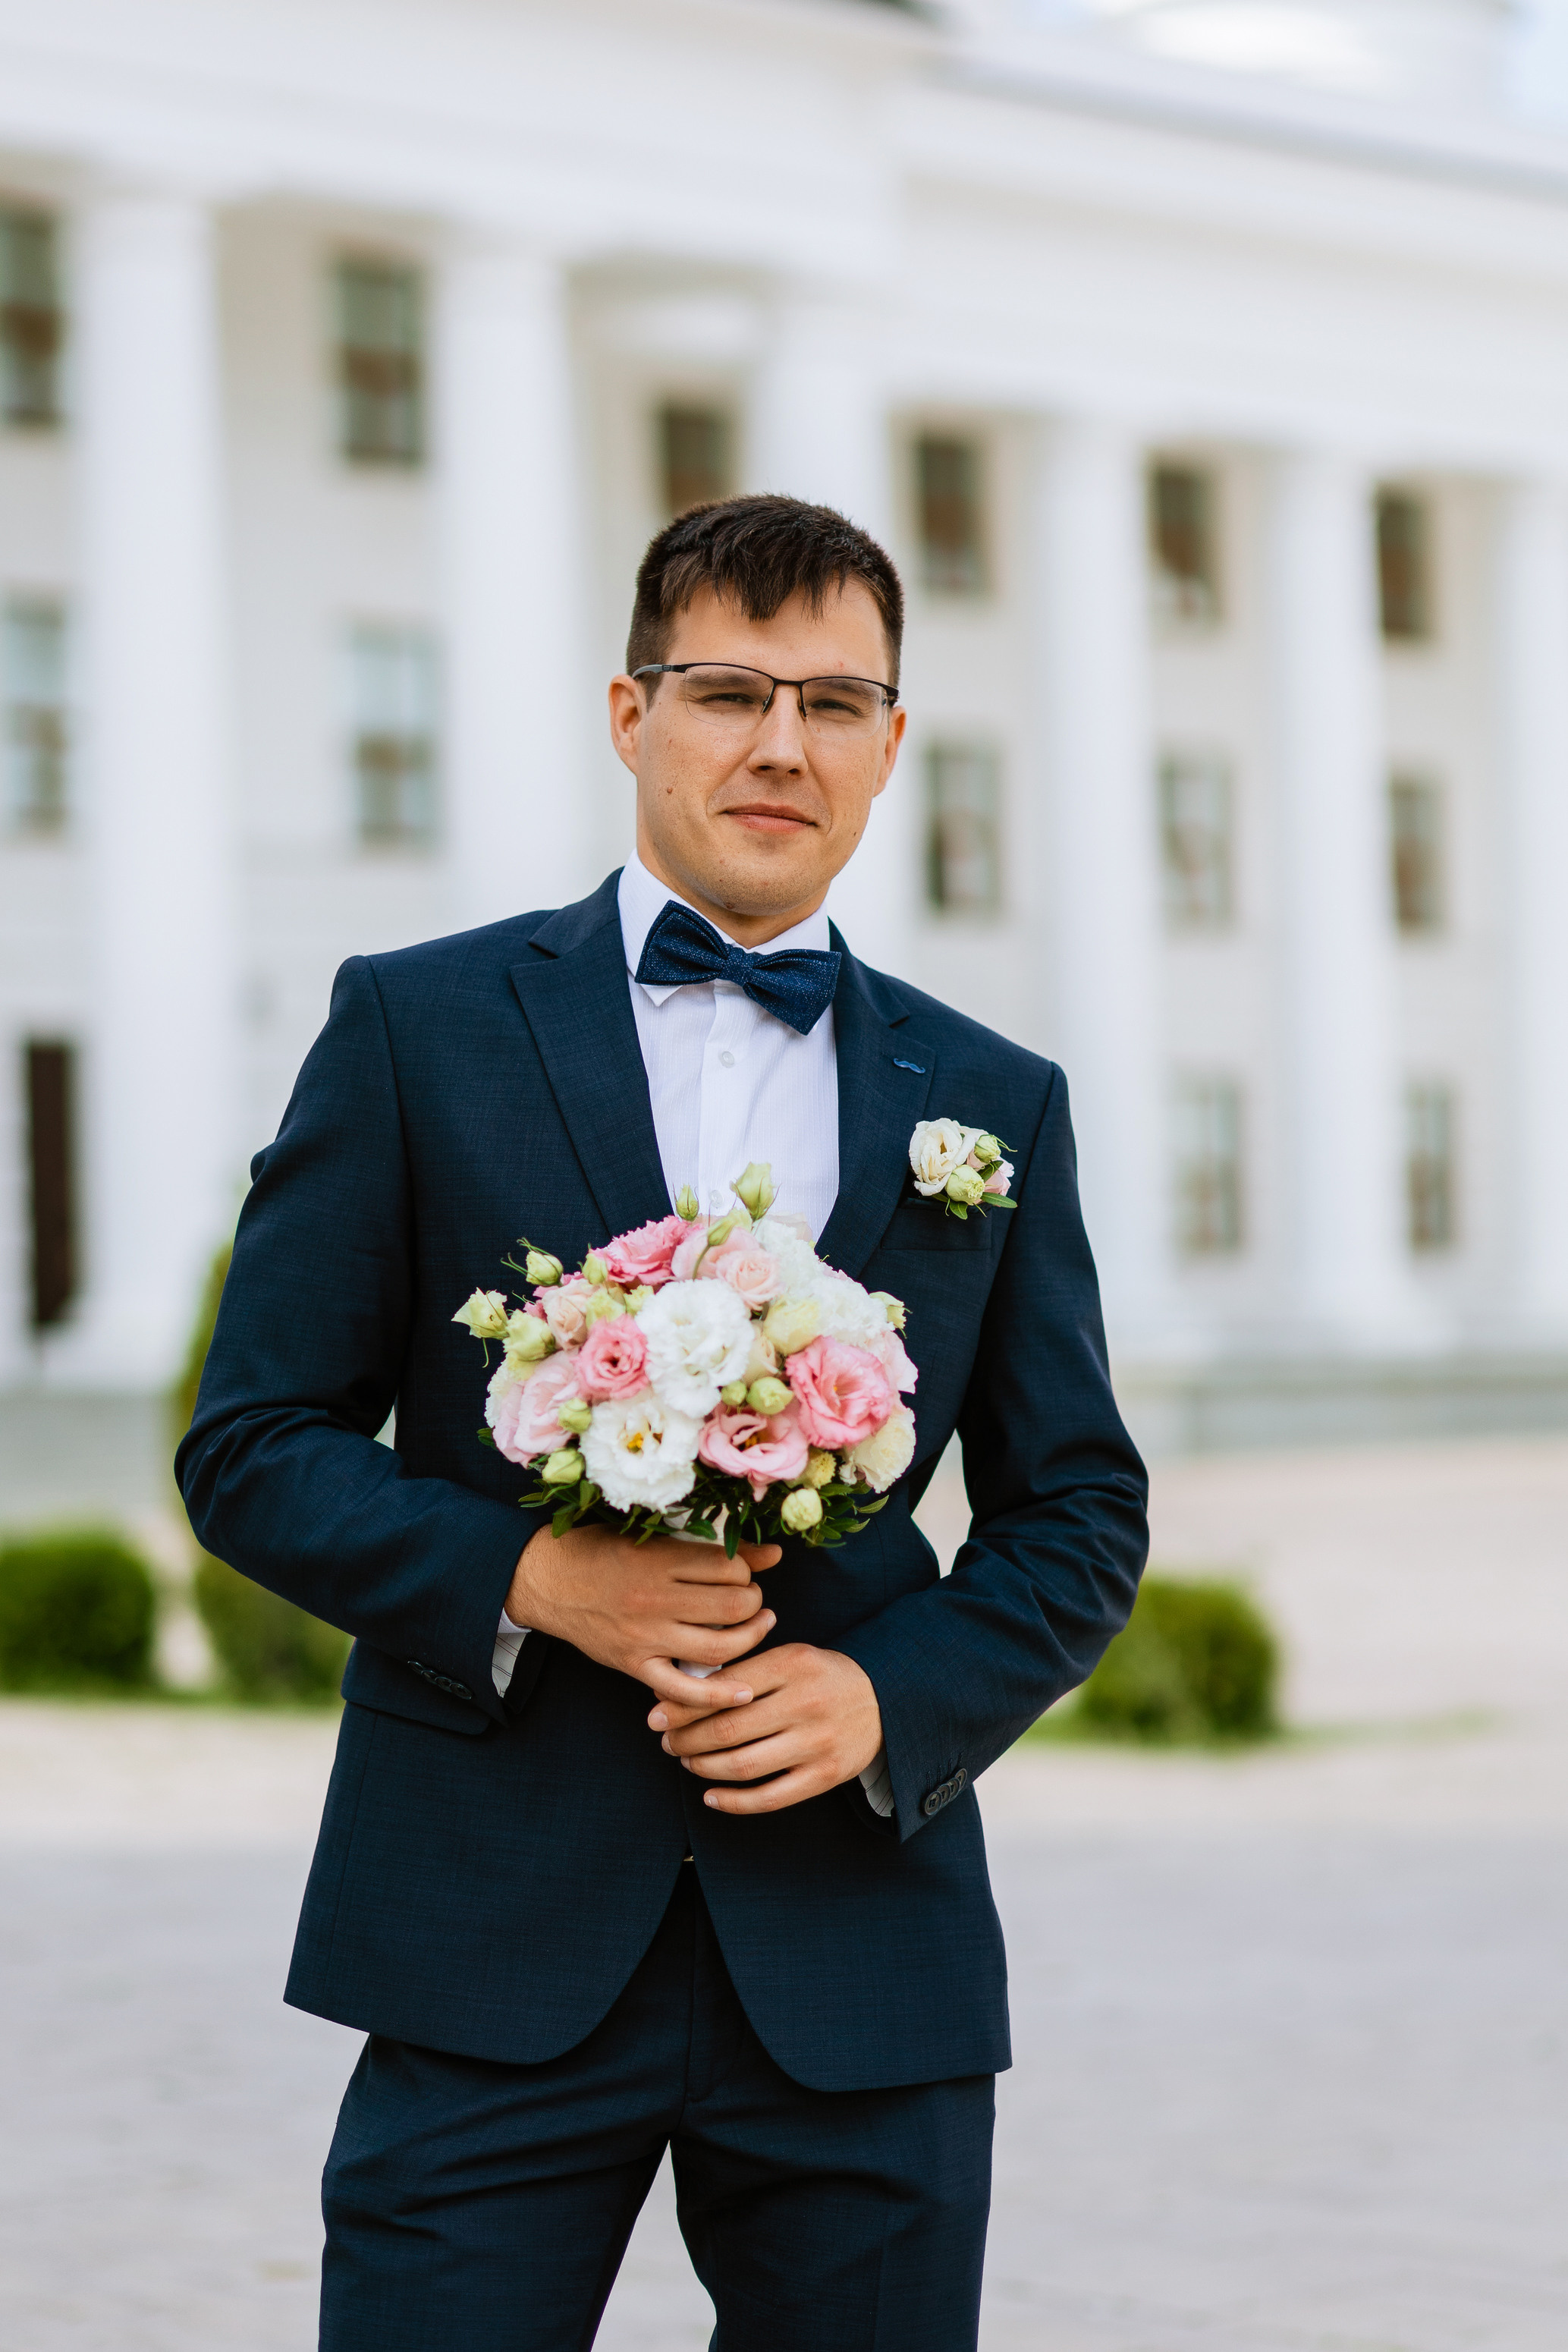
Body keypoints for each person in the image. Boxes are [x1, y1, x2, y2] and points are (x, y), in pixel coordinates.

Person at [178, 492, 1148, 2351]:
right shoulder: (412, 1024)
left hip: (861, 1954)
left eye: (835, 700)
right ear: (629, 715)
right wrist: (533, 1575)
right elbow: (252, 1440)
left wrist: (893, 1697)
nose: (780, 742)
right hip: (484, 1926)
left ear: (887, 745)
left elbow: (1076, 1509)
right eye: (726, 689)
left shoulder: (995, 1100)